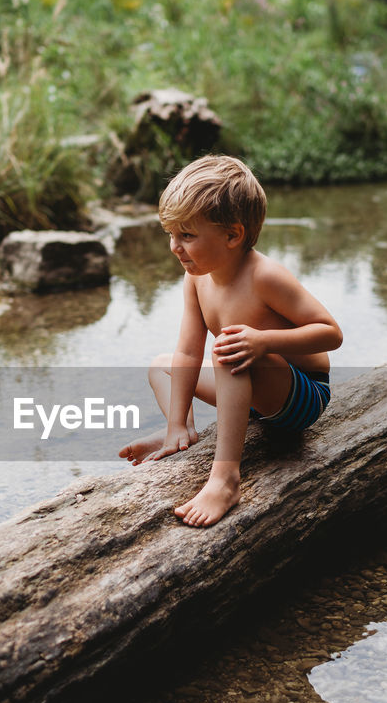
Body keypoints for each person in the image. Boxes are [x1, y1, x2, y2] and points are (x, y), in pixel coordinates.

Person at [118, 155, 342, 527]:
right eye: (171, 234)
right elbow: (189, 351)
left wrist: (265, 341)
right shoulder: (196, 279)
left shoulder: (265, 277)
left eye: (187, 235)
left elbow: (330, 334)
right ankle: (180, 433)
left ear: (233, 235)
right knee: (163, 365)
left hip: (299, 396)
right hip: (246, 390)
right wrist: (176, 418)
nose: (175, 247)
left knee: (229, 349)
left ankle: (225, 480)